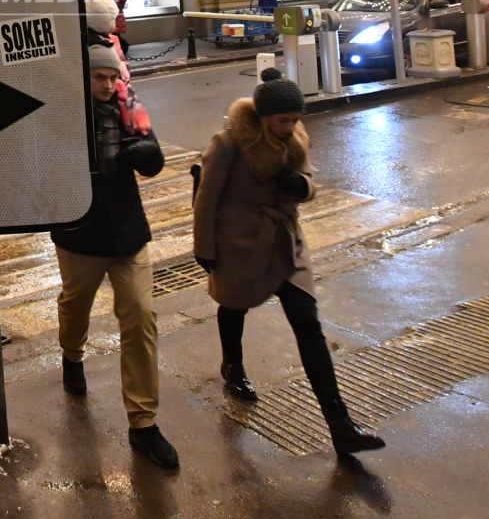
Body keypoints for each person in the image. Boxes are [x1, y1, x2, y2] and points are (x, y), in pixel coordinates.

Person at [193, 70, 386, 456]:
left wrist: (302, 188)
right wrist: (205, 248)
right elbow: (206, 197)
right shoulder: (229, 143)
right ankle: (233, 366)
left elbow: (309, 178)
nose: (291, 127)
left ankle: (340, 425)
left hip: (285, 243)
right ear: (263, 116)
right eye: (283, 120)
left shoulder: (296, 137)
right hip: (241, 242)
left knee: (308, 325)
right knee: (233, 306)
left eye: (295, 119)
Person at [53, 41, 177, 470]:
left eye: (112, 77)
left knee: (141, 316)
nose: (108, 85)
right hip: (80, 232)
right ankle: (71, 354)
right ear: (83, 78)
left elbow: (152, 153)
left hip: (127, 232)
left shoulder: (130, 107)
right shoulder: (62, 112)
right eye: (98, 77)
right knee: (75, 305)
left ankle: (143, 423)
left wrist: (149, 155)